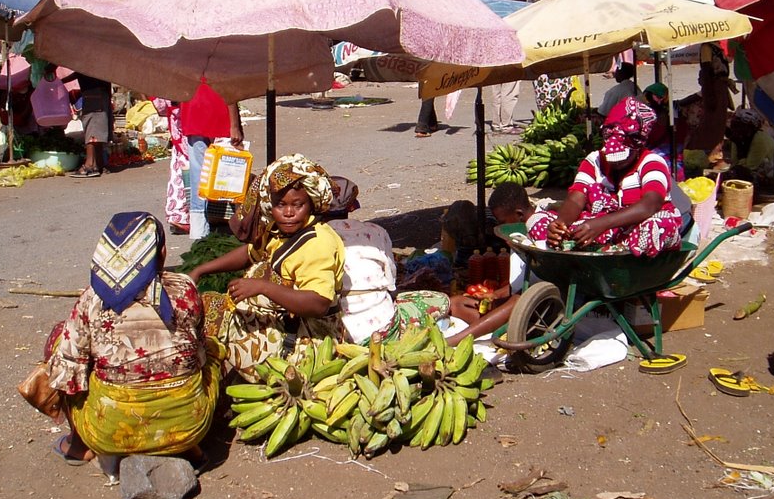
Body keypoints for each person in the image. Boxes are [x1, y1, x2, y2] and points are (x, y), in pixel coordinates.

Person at [45, 211, 222, 466]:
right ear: (161, 254)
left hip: (107, 433)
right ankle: (188, 449)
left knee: (61, 342)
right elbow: (199, 354)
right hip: (190, 426)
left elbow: (68, 373)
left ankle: (79, 445)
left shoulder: (91, 299)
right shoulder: (186, 289)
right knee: (213, 349)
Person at [189, 154, 348, 380]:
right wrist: (201, 270)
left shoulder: (317, 243)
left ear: (311, 203)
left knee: (217, 340)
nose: (289, 212)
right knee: (207, 308)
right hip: (283, 318)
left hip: (306, 334)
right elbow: (250, 253)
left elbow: (318, 303)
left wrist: (262, 287)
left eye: (297, 205)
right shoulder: (281, 231)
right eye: (280, 205)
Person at [527, 96, 684, 257]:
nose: (615, 163)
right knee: (538, 220)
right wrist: (561, 224)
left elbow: (650, 205)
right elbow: (576, 199)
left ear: (638, 146)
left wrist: (602, 224)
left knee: (656, 226)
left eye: (622, 158)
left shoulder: (652, 162)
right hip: (601, 228)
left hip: (635, 226)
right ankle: (590, 253)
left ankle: (620, 260)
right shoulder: (594, 160)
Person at [324, 177, 450, 344]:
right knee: (441, 300)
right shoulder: (375, 231)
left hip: (335, 334)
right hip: (383, 329)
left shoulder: (312, 237)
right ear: (351, 205)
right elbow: (391, 283)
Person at [448, 183, 537, 345]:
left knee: (517, 301)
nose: (498, 226)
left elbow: (536, 284)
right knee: (455, 303)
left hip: (536, 304)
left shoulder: (540, 232)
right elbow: (520, 281)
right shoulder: (518, 233)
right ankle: (489, 325)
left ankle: (457, 339)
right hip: (518, 299)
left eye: (501, 221)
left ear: (519, 215)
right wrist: (495, 295)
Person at [180, 79, 244, 241]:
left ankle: (199, 231)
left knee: (199, 176)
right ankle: (238, 227)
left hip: (192, 115)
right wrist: (235, 125)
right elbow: (230, 89)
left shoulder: (186, 59)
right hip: (219, 116)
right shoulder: (221, 58)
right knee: (230, 174)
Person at [685, 42, 737, 168]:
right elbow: (707, 71)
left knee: (719, 125)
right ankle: (705, 156)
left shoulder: (717, 47)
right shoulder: (706, 47)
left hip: (720, 88)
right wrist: (710, 95)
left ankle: (714, 155)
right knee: (711, 124)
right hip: (714, 89)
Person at [150, 97, 190, 235]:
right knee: (186, 169)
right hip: (188, 125)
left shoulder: (166, 80)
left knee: (178, 167)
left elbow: (160, 106)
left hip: (178, 126)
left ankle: (177, 214)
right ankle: (181, 215)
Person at [63, 72, 113, 178]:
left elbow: (81, 70)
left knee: (92, 127)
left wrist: (60, 79)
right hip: (101, 91)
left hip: (93, 92)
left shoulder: (90, 58)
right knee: (98, 127)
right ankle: (98, 164)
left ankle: (89, 165)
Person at [725, 106, 774, 176]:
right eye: (736, 126)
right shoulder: (737, 138)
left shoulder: (760, 139)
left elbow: (750, 167)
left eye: (742, 127)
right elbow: (734, 163)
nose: (738, 130)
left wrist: (741, 155)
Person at [643, 82, 687, 179]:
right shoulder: (671, 108)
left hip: (669, 148)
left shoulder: (665, 113)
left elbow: (657, 136)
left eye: (650, 97)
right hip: (674, 146)